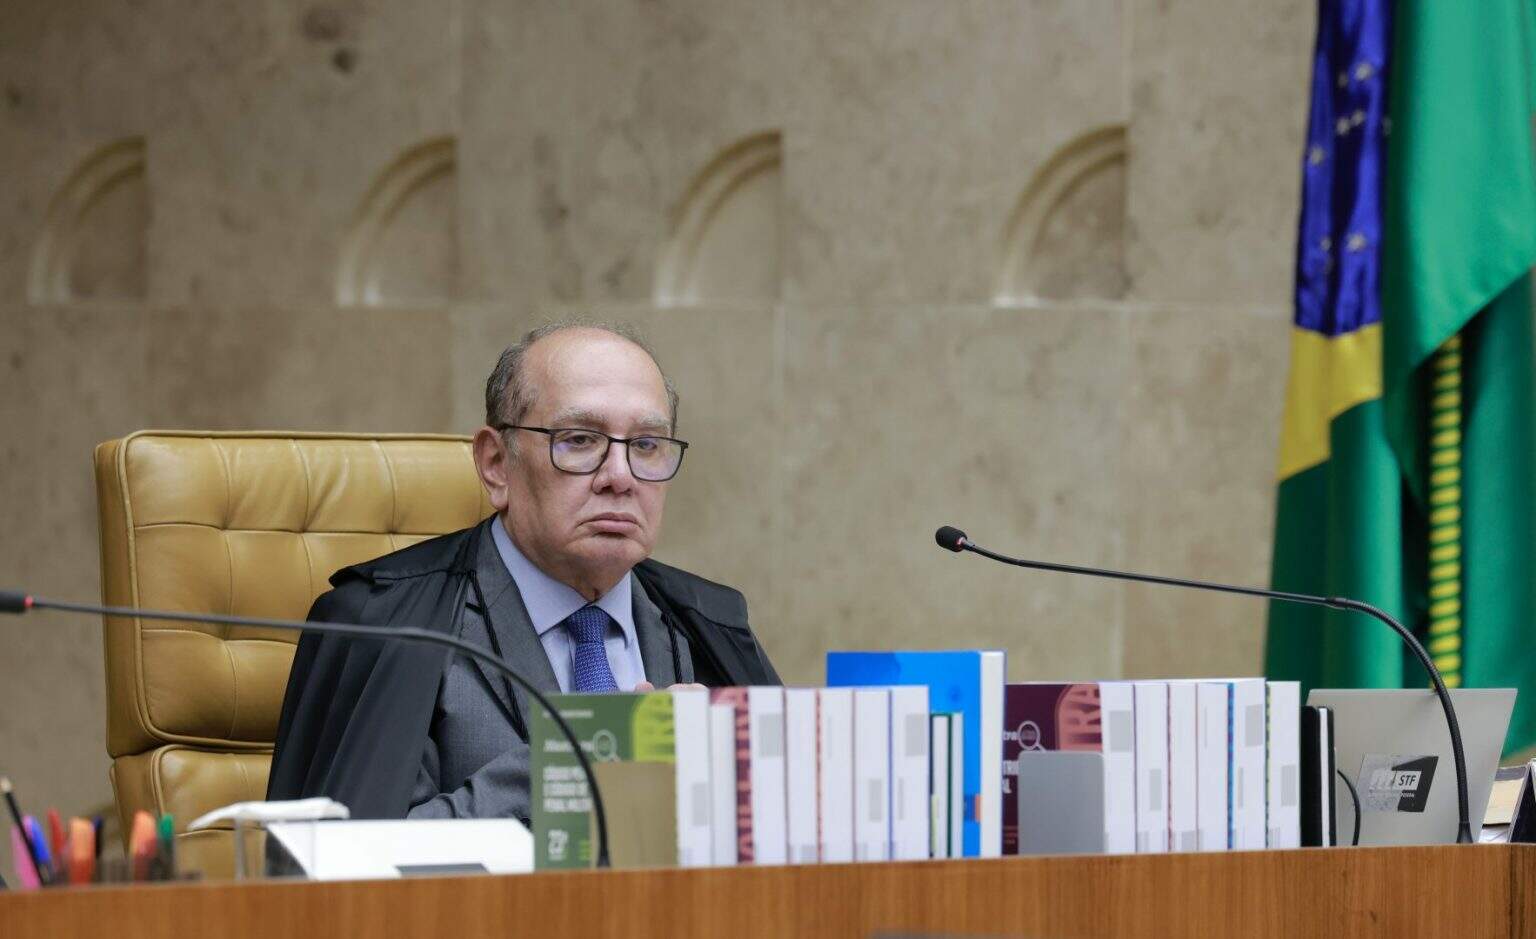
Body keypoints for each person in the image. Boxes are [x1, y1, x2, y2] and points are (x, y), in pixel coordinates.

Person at [267, 322, 780, 823]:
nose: (620, 477)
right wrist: (594, 759)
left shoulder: (708, 626)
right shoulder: (383, 625)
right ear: (496, 463)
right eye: (580, 440)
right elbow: (353, 859)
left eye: (646, 444)